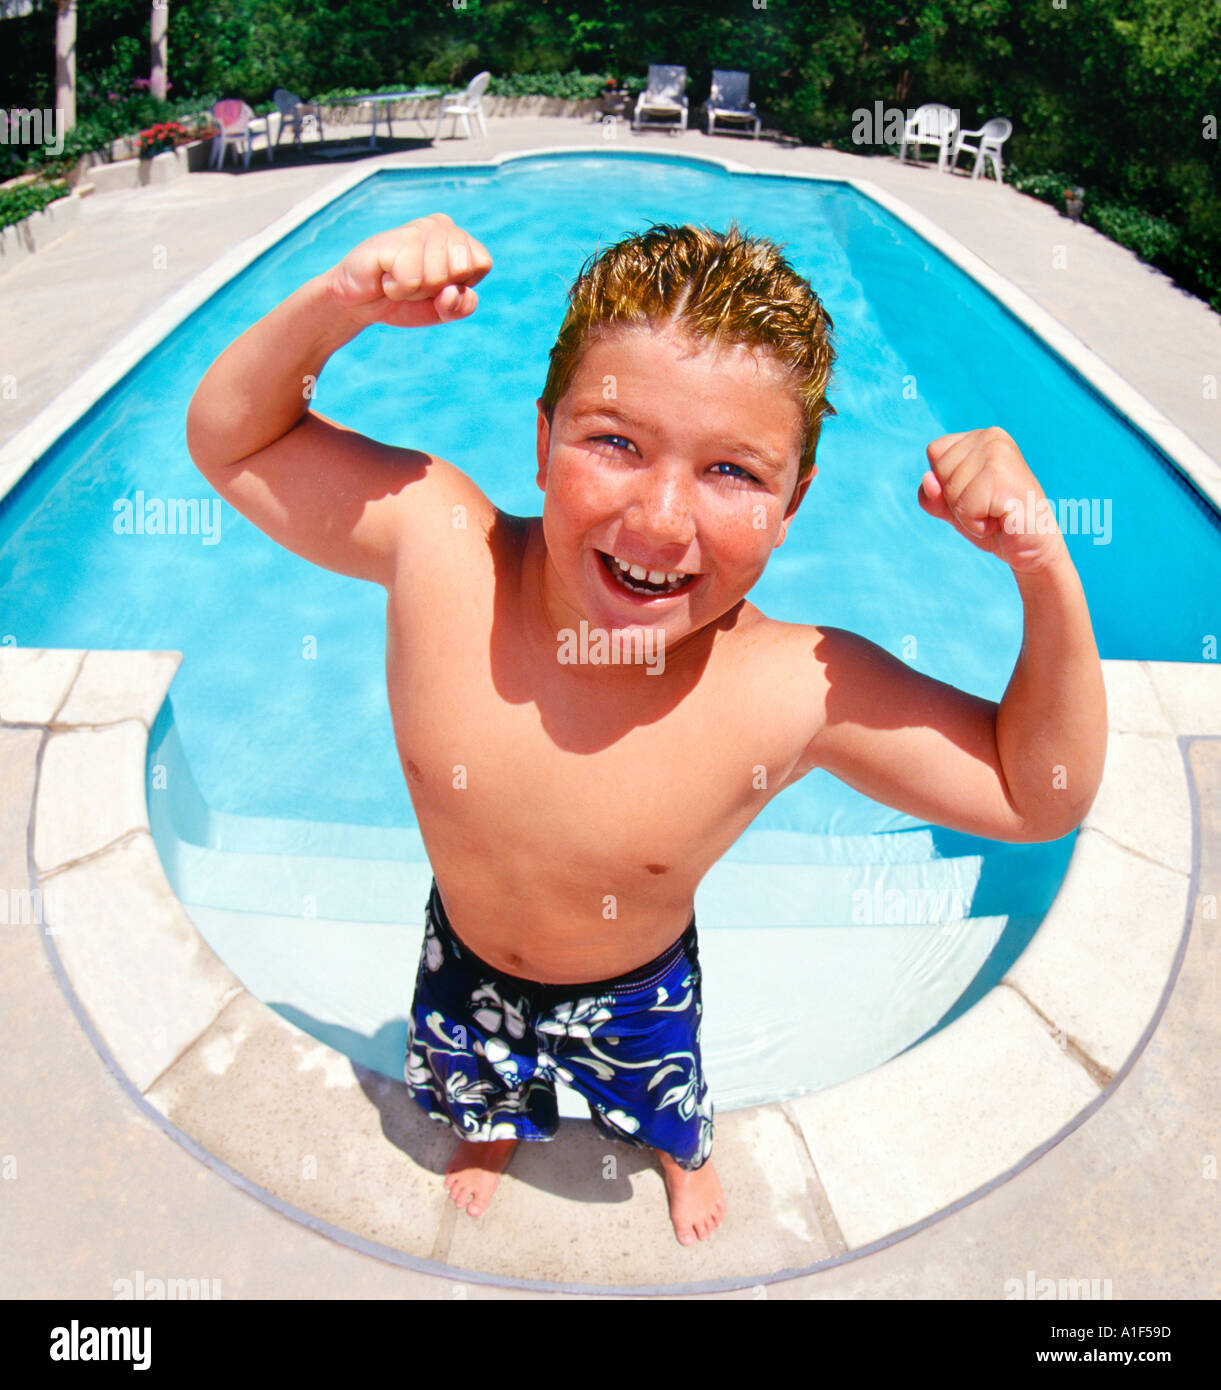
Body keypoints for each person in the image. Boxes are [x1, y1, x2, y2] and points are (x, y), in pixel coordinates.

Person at [186, 212, 1107, 1246]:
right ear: (541, 441)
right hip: (465, 958)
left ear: (793, 504)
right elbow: (233, 439)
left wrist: (1042, 564)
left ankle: (683, 1151)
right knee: (472, 1088)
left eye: (733, 472)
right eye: (616, 443)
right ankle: (493, 1124)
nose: (663, 521)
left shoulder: (792, 687)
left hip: (641, 992)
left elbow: (1041, 792)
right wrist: (338, 303)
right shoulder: (440, 548)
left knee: (668, 1103)